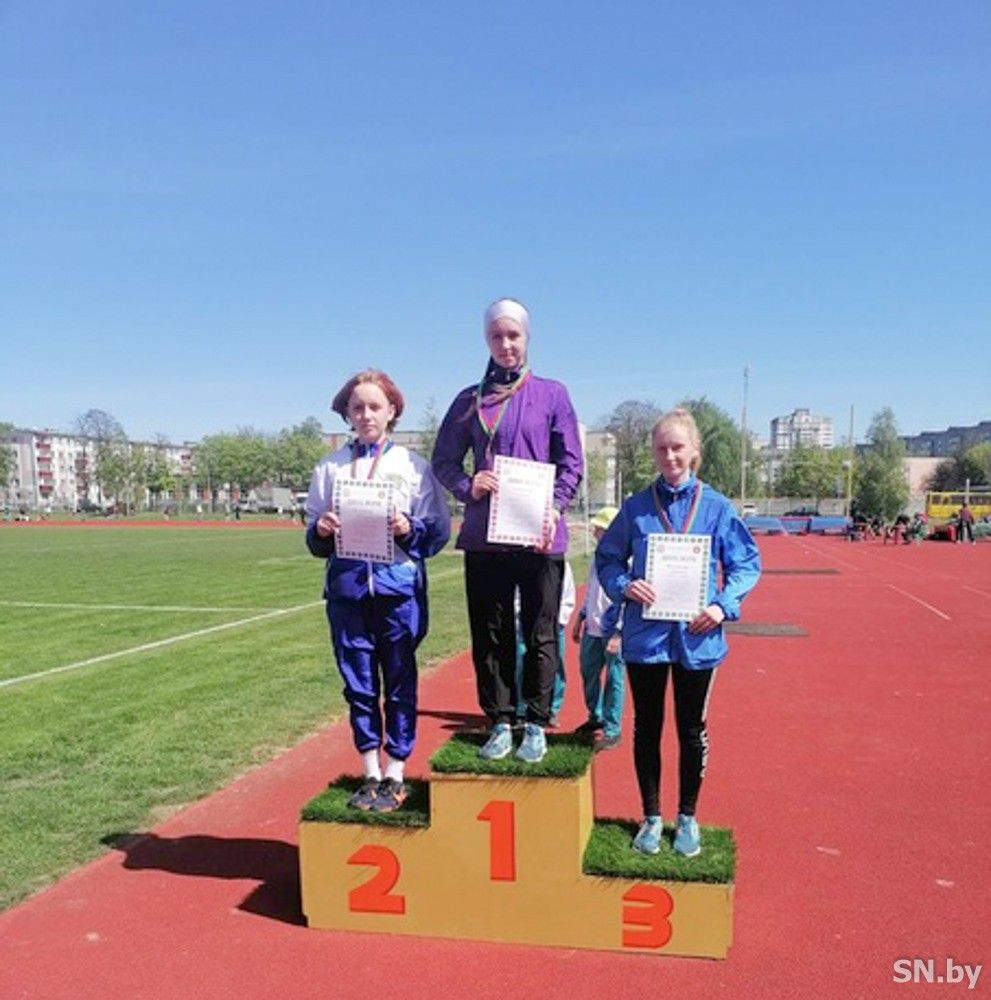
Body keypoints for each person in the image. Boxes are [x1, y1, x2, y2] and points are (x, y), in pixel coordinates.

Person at [596, 408, 761, 858]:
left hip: (698, 637)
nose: (669, 456)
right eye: (661, 448)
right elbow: (607, 559)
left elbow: (746, 564)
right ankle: (651, 817)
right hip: (646, 639)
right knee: (646, 728)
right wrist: (624, 585)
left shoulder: (717, 507)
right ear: (653, 452)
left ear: (694, 451)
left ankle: (687, 817)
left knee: (691, 729)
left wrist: (721, 605)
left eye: (677, 447)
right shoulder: (635, 508)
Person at [432, 298, 583, 764]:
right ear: (486, 340)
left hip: (539, 535)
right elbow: (443, 461)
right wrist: (468, 485)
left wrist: (554, 507)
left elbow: (571, 462)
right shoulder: (468, 401)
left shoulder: (552, 394)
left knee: (541, 632)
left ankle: (535, 722)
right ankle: (499, 721)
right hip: (486, 536)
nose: (505, 344)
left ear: (527, 337)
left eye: (513, 335)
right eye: (496, 336)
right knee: (490, 633)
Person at [306, 369, 451, 813]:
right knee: (358, 684)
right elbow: (313, 538)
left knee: (400, 681)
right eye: (358, 407)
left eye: (375, 406)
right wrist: (322, 529)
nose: (366, 415)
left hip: (397, 590)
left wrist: (409, 528)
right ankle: (370, 770)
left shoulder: (413, 466)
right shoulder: (330, 468)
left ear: (392, 411)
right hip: (348, 591)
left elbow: (438, 532)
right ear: (347, 414)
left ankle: (396, 771)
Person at [572, 506, 625, 750]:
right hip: (592, 628)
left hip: (612, 630)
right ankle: (596, 716)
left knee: (614, 678)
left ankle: (612, 728)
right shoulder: (597, 558)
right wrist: (581, 617)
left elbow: (628, 599)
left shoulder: (628, 559)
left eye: (600, 529)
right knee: (588, 673)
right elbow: (592, 591)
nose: (595, 533)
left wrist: (619, 632)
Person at [515, 561, 575, 728]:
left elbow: (567, 595)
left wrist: (560, 621)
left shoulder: (561, 564)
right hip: (526, 622)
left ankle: (552, 710)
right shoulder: (523, 562)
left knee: (554, 666)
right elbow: (517, 595)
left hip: (552, 624)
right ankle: (521, 709)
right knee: (521, 663)